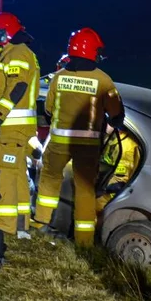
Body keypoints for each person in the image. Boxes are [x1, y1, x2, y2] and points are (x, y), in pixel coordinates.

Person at [33, 28, 123, 246]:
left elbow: (48, 108)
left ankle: (40, 224)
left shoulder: (59, 77)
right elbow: (117, 114)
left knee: (49, 182)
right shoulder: (103, 80)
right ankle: (84, 242)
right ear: (92, 52)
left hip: (58, 143)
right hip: (88, 146)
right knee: (85, 190)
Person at [0, 12, 40, 238]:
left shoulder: (16, 53)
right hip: (17, 128)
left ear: (3, 34)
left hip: (10, 128)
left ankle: (4, 226)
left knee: (1, 174)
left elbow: (17, 87)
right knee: (16, 176)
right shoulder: (20, 53)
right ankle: (21, 227)